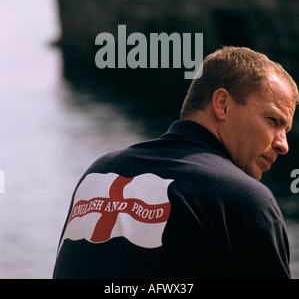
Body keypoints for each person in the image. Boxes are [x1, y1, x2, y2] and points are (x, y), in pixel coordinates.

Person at [53, 46, 298, 279]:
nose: (283, 145)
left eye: (285, 130)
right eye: (273, 120)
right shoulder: (245, 200)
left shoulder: (99, 173)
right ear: (222, 104)